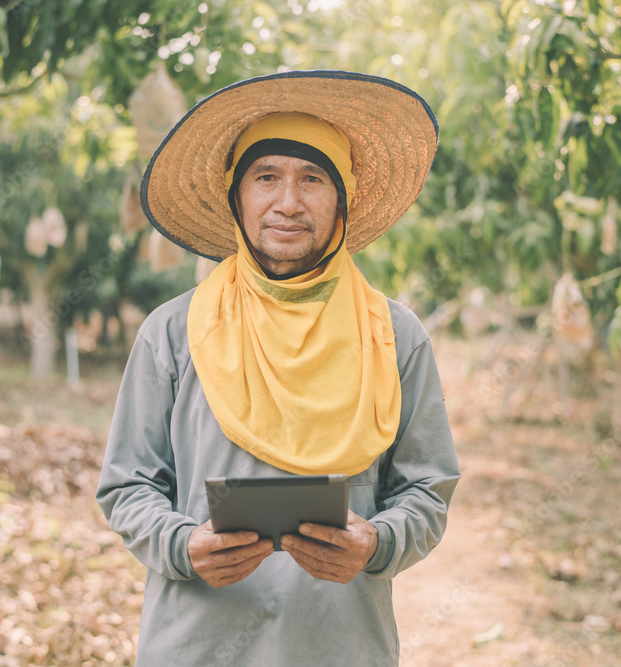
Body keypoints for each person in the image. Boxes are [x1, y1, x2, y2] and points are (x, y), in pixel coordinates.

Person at [96, 70, 460, 666]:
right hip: (197, 647)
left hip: (342, 648)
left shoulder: (394, 336)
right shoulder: (174, 332)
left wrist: (377, 540)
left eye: (312, 179)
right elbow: (127, 484)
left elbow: (427, 489)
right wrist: (183, 544)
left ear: (342, 200)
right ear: (237, 197)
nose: (287, 202)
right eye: (266, 178)